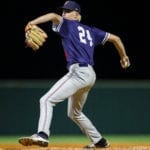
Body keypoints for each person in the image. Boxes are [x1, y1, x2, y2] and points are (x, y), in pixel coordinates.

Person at [18, 0, 130, 148]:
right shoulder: (91, 31)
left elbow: (52, 15)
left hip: (78, 72)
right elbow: (117, 39)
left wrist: (32, 22)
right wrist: (123, 56)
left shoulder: (68, 25)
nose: (63, 14)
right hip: (90, 75)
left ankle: (42, 134)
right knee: (74, 113)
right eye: (63, 11)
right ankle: (99, 141)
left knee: (46, 100)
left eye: (67, 11)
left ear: (77, 15)